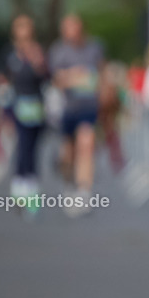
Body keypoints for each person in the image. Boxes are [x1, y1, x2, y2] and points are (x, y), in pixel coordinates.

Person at [47, 14, 104, 214]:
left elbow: (101, 74)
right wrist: (75, 76)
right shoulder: (59, 51)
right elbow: (55, 79)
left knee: (86, 144)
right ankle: (68, 184)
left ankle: (84, 191)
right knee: (68, 152)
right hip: (67, 108)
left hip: (88, 107)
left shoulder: (94, 47)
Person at [0, 14, 48, 204]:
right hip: (17, 104)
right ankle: (20, 185)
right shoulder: (10, 53)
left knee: (34, 145)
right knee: (22, 144)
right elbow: (1, 76)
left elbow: (46, 76)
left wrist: (38, 64)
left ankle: (32, 186)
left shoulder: (38, 51)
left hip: (35, 104)